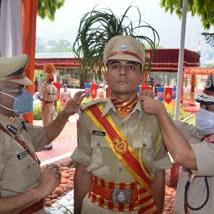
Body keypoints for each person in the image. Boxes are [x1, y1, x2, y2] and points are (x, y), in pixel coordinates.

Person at [0, 54, 84, 214]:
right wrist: (39, 191)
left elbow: (44, 136)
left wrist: (65, 113)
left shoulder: (11, 121)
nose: (25, 95)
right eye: (18, 90)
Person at [72, 35, 171, 214]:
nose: (123, 72)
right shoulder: (90, 116)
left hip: (141, 208)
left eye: (131, 67)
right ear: (106, 74)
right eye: (115, 66)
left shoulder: (155, 118)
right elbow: (83, 170)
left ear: (142, 76)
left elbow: (158, 174)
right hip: (97, 208)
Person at [139, 74, 214, 214]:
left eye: (209, 110)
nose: (202, 113)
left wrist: (160, 112)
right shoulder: (200, 135)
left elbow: (183, 156)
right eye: (202, 107)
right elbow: (169, 125)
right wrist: (153, 103)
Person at [38, 63, 58, 150]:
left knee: (46, 126)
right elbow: (56, 99)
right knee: (51, 125)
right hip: (53, 106)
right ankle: (50, 143)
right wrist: (56, 109)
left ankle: (47, 144)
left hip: (46, 107)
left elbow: (44, 99)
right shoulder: (54, 87)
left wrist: (38, 97)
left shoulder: (45, 87)